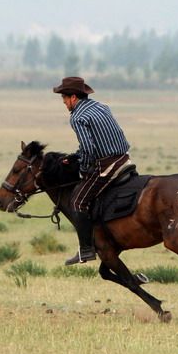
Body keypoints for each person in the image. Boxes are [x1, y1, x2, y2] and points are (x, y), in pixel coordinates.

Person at [53, 76, 131, 265]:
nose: (63, 102)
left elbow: (89, 149)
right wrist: (74, 156)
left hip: (107, 165)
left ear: (73, 97)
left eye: (64, 98)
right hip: (124, 157)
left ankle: (86, 250)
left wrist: (84, 169)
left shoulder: (78, 117)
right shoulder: (101, 107)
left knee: (78, 201)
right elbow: (96, 141)